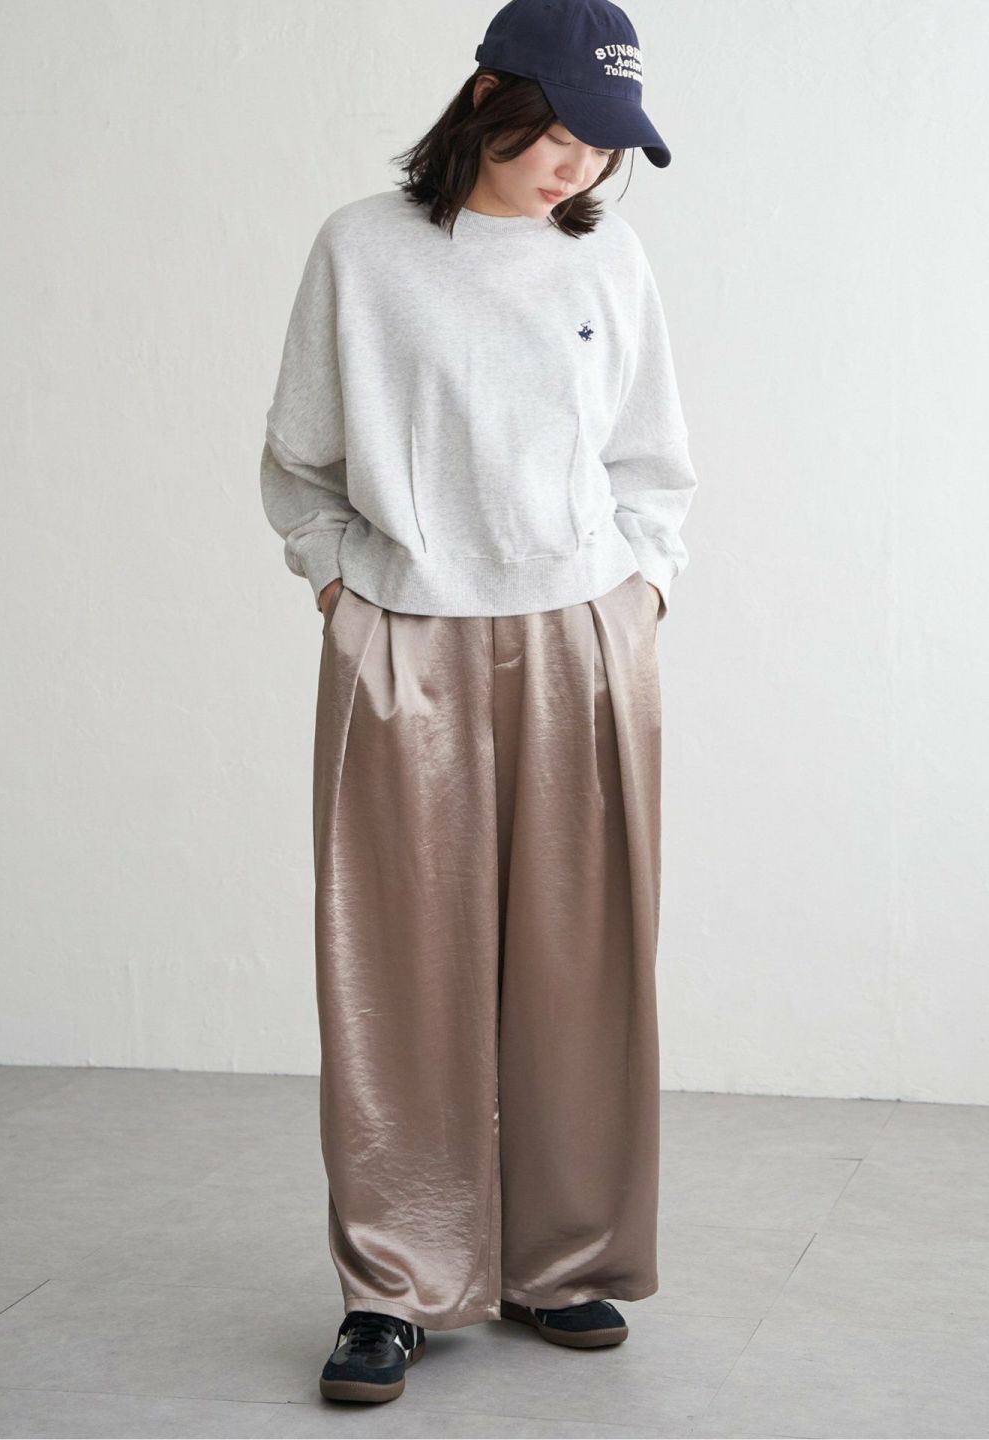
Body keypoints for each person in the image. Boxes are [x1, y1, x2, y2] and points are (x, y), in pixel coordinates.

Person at [259, 0, 698, 1406]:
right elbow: (300, 460)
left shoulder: (606, 256)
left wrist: (642, 593)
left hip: (583, 634)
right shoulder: (363, 249)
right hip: (407, 639)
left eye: (604, 145)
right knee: (396, 971)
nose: (581, 165)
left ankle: (563, 1261)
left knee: (584, 960)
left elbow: (653, 459)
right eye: (562, 132)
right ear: (488, 100)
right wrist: (343, 588)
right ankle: (396, 1285)